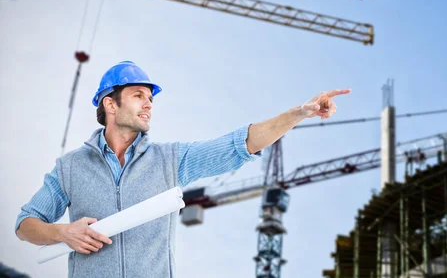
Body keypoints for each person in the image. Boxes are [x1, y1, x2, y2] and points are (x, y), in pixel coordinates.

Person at [15, 60, 351, 278]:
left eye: (151, 98)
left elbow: (241, 144)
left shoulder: (170, 159)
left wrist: (299, 113)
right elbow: (25, 225)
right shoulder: (71, 167)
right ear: (110, 104)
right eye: (137, 95)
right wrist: (63, 232)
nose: (148, 104)